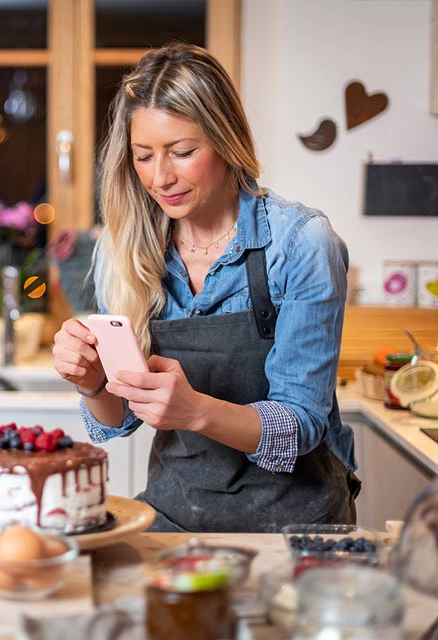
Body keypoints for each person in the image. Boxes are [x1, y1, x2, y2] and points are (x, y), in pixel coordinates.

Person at [52, 43, 360, 533]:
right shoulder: (128, 248)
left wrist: (195, 411)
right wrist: (91, 381)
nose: (161, 178)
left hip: (292, 523)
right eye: (144, 156)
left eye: (183, 152)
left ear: (225, 139)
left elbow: (300, 425)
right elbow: (120, 420)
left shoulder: (300, 243)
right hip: (174, 516)